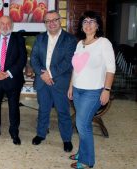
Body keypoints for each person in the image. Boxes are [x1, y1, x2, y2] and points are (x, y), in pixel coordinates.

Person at [67, 11, 115, 169]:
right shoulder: (79, 43)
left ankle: (87, 161)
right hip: (78, 90)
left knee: (82, 124)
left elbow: (110, 69)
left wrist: (106, 89)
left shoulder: (103, 43)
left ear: (98, 25)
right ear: (81, 25)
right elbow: (76, 68)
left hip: (93, 92)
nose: (88, 24)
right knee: (83, 124)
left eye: (92, 21)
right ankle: (82, 152)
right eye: (85, 21)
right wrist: (71, 87)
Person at [30, 10, 77, 152]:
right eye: (47, 21)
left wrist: (49, 74)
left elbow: (68, 61)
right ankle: (41, 134)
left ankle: (67, 139)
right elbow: (34, 58)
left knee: (63, 112)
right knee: (43, 110)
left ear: (60, 20)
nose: (51, 23)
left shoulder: (70, 39)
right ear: (45, 23)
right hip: (42, 81)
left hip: (60, 82)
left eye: (54, 20)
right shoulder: (39, 38)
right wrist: (42, 74)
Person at [0, 16, 27, 145]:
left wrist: (8, 73)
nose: (5, 26)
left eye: (8, 23)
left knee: (14, 107)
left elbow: (22, 59)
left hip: (13, 79)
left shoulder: (19, 40)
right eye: (2, 23)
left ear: (12, 26)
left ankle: (14, 132)